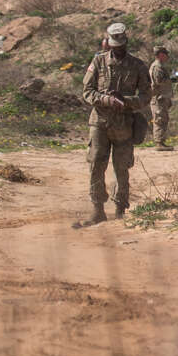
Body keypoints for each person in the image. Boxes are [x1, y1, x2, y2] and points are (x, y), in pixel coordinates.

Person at [77, 21, 149, 227]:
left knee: (121, 168)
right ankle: (97, 209)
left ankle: (120, 209)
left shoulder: (138, 66)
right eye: (114, 47)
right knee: (96, 164)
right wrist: (106, 99)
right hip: (99, 122)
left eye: (121, 47)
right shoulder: (98, 62)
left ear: (126, 44)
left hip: (124, 124)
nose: (117, 50)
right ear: (108, 45)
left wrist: (125, 100)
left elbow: (145, 97)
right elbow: (87, 92)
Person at [146, 45, 175, 149]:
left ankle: (161, 141)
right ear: (161, 55)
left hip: (162, 97)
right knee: (159, 119)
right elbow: (159, 82)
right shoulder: (157, 67)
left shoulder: (160, 66)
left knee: (163, 119)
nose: (167, 56)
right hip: (158, 98)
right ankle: (159, 142)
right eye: (165, 54)